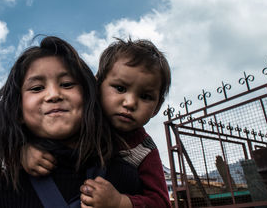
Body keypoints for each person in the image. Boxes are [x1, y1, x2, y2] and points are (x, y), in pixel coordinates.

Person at [0, 36, 142, 208]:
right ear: (18, 110)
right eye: (37, 88)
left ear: (89, 97)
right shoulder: (3, 191)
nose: (53, 94)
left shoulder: (124, 177)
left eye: (67, 84)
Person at [22, 38, 172, 208]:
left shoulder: (144, 149)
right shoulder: (80, 123)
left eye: (145, 96)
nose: (130, 103)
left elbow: (161, 202)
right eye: (120, 88)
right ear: (97, 85)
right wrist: (25, 151)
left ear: (157, 107)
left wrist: (120, 202)